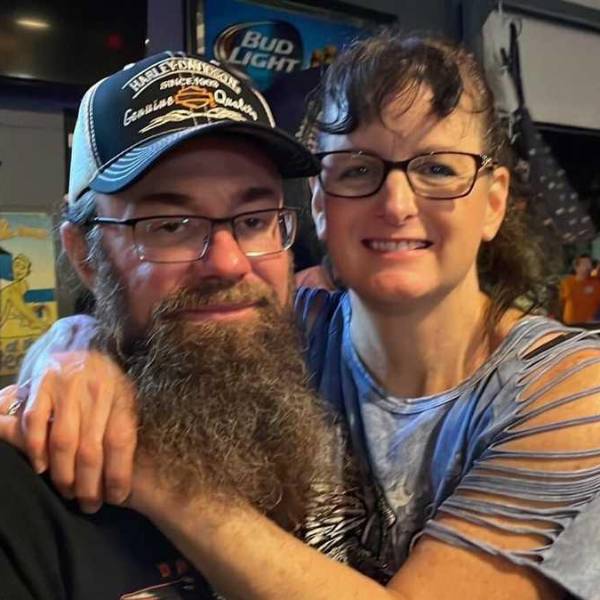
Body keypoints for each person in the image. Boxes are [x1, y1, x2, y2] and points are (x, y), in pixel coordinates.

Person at [3, 30, 600, 600]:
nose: (397, 205)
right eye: (359, 170)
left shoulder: (568, 390)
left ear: (494, 203)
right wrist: (74, 345)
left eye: (438, 168)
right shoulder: (284, 332)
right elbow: (157, 329)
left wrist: (163, 479)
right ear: (319, 205)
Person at [0, 50, 340, 599]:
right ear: (85, 255)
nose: (228, 262)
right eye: (170, 225)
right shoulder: (20, 492)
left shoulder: (333, 390)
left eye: (254, 220)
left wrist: (71, 339)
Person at [559, 253, 600, 324]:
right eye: (584, 264)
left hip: (591, 324)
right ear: (576, 267)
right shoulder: (567, 282)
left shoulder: (596, 283)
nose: (588, 267)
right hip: (570, 323)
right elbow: (561, 302)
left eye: (589, 264)